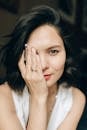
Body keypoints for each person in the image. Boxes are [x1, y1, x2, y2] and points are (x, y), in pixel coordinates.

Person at [0, 5, 86, 130]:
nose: (43, 65)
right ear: (20, 58)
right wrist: (39, 97)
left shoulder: (75, 98)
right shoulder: (3, 97)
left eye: (53, 52)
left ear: (66, 53)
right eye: (33, 54)